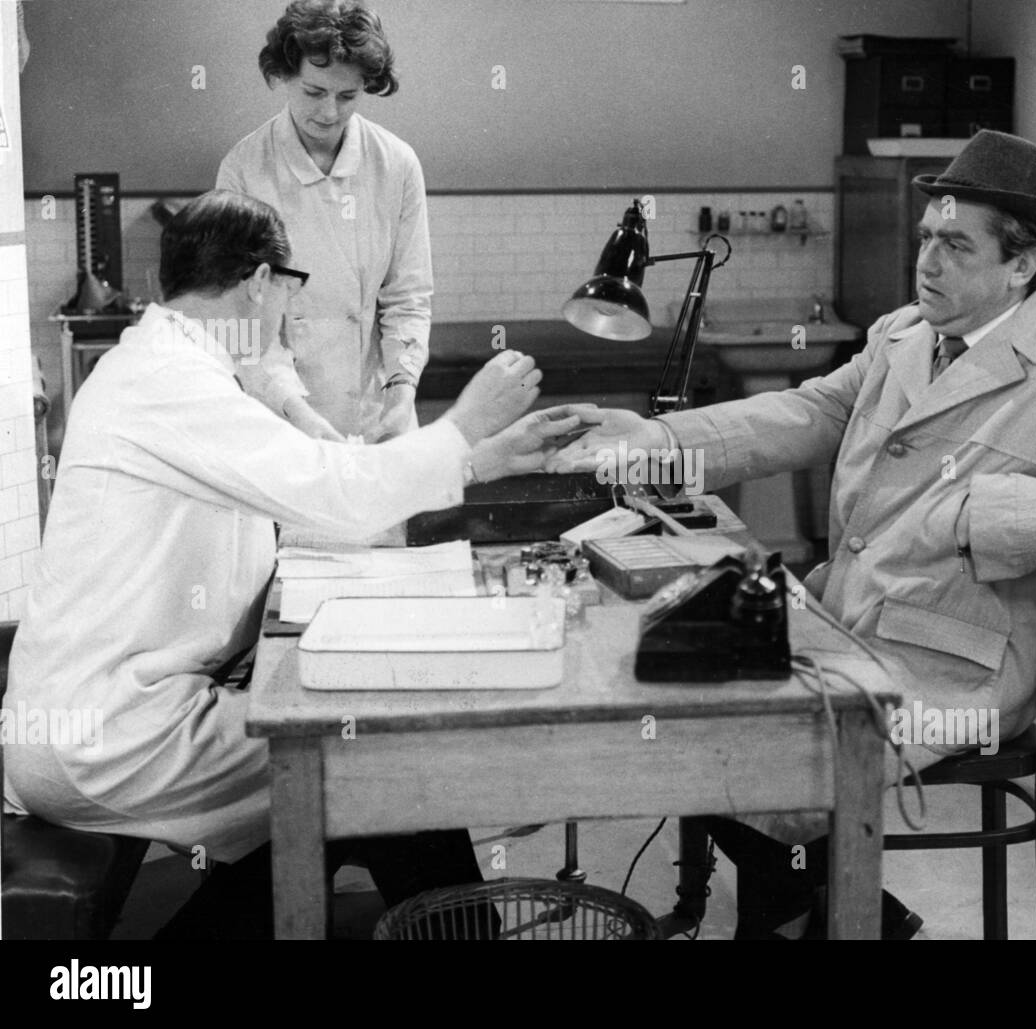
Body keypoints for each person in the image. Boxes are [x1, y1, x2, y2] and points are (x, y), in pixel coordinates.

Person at [549, 130, 1036, 938]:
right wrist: (663, 443)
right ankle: (843, 916)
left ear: (1022, 265)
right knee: (688, 713)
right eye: (927, 239)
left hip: (954, 667)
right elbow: (810, 411)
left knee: (773, 766)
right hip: (848, 622)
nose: (929, 263)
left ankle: (821, 920)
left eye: (956, 245)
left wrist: (996, 510)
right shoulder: (902, 335)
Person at [1, 190, 594, 938]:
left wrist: (478, 459)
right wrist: (465, 422)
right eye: (290, 286)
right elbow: (336, 495)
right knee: (372, 774)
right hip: (112, 735)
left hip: (127, 710)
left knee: (348, 779)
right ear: (260, 281)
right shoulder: (168, 382)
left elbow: (308, 486)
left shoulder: (177, 366)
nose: (288, 310)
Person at [216, 0, 430, 443]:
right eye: (314, 92)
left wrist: (401, 392)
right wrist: (298, 413)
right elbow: (241, 319)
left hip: (376, 412)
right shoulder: (244, 170)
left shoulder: (396, 164)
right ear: (282, 75)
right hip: (280, 416)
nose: (329, 112)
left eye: (347, 96)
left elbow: (407, 300)